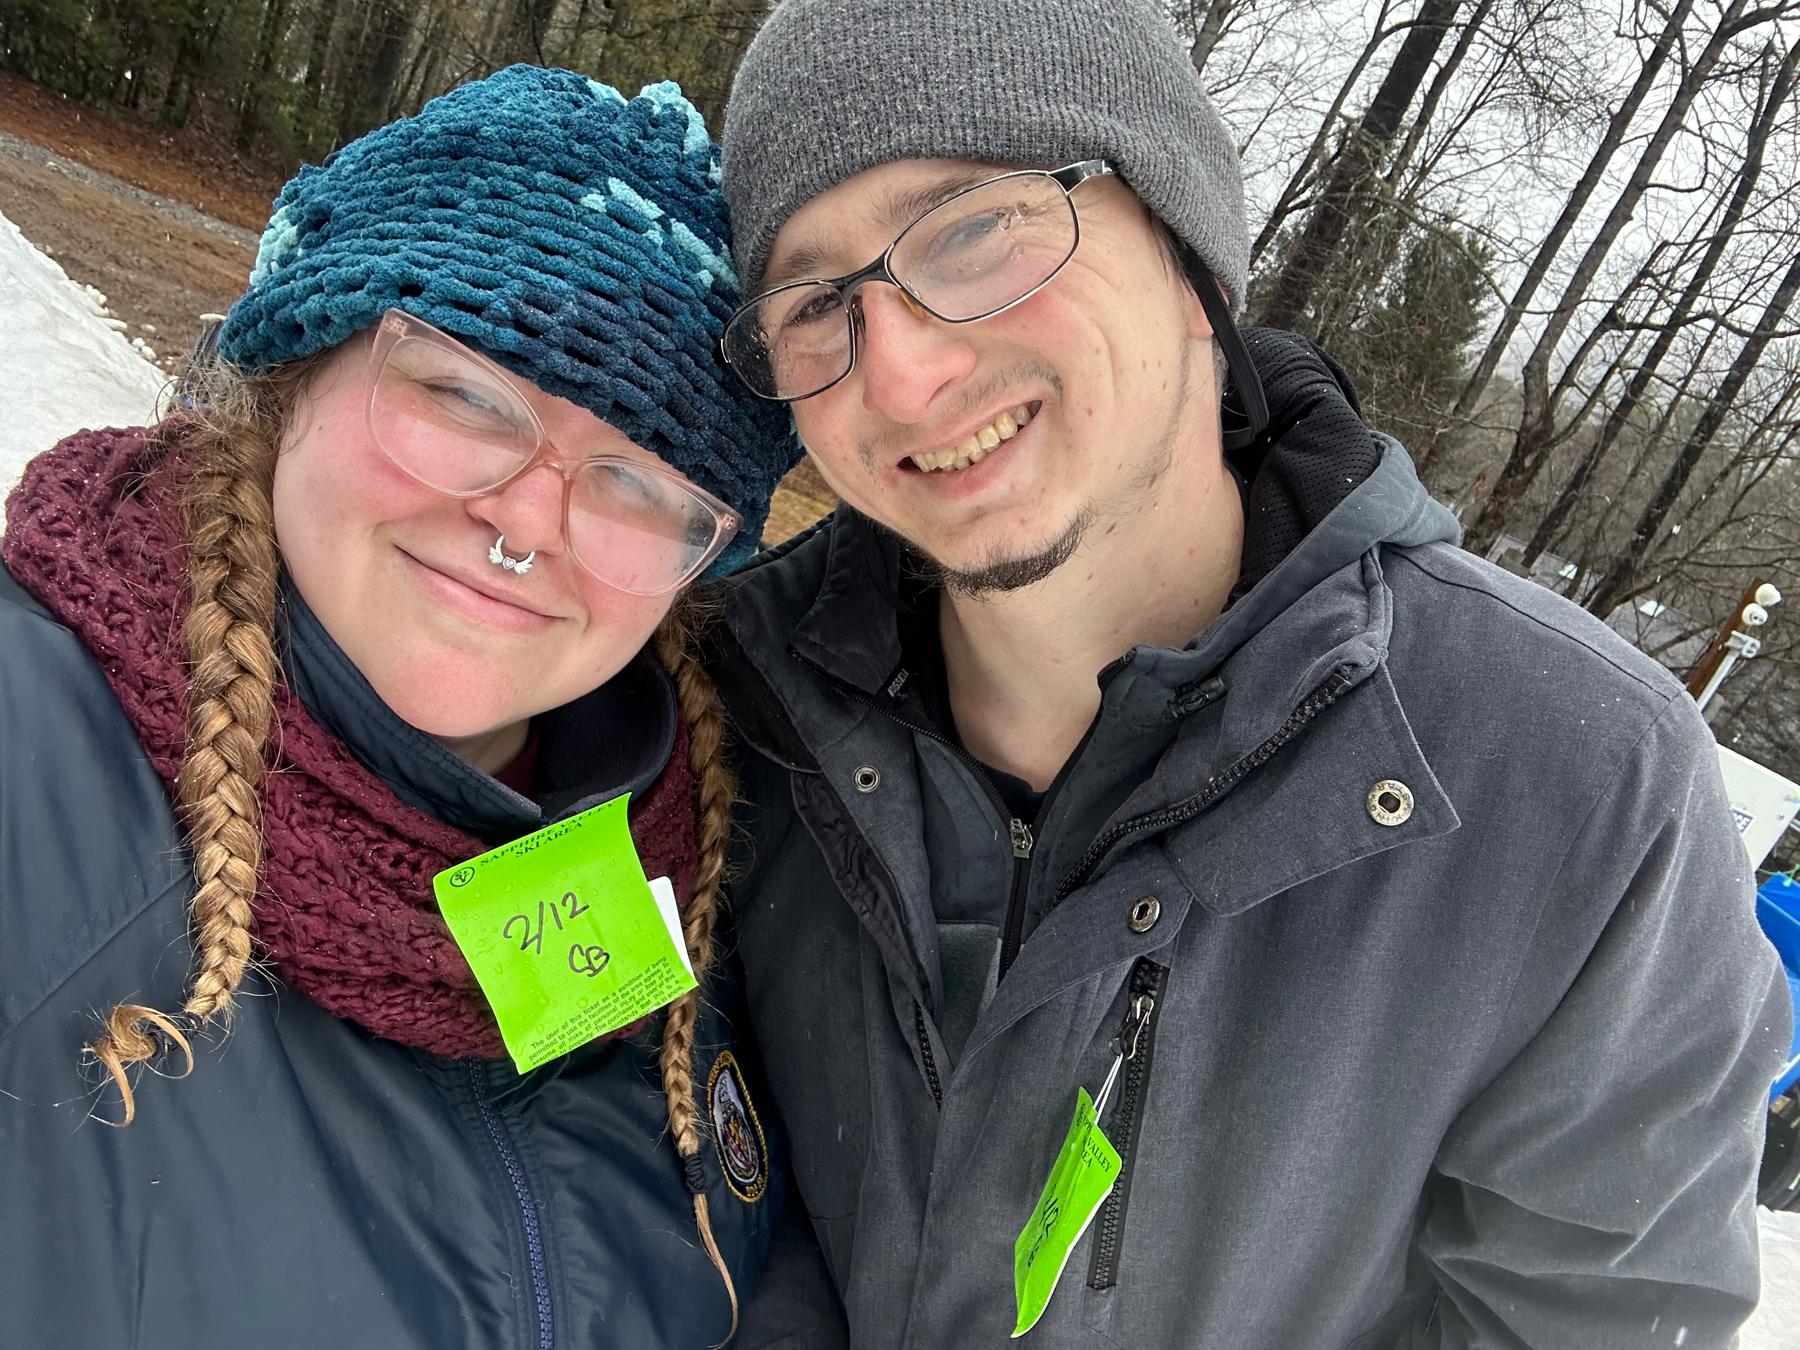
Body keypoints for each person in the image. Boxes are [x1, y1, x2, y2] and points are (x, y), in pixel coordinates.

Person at [704, 1, 1793, 1345]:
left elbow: (1587, 1315)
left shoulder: (1574, 782)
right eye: (819, 302)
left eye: (975, 227)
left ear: (1190, 254)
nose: (908, 370)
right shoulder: (724, 714)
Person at [0, 65, 833, 1349]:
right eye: (461, 396)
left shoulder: (702, 866)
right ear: (295, 363)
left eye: (635, 480)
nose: (523, 526)